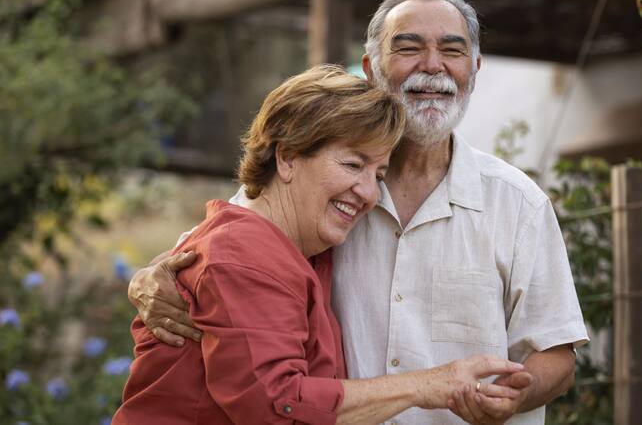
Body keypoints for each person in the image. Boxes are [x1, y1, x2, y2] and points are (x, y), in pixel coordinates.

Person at [128, 0, 589, 425]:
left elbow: (557, 351)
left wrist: (515, 397)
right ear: (370, 69)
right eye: (408, 48)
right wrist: (149, 277)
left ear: (474, 68)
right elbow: (225, 247)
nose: (433, 66)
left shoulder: (518, 204)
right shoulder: (315, 195)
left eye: (452, 50)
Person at [114, 65, 527, 425]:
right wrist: (428, 385)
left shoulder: (306, 246)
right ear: (288, 157)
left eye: (379, 175)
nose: (369, 192)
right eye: (352, 164)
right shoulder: (245, 253)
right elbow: (278, 408)